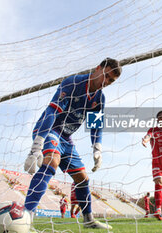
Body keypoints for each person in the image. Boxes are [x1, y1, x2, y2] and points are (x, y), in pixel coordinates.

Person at [23, 58, 122, 230]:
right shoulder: (73, 83)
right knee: (52, 162)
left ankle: (88, 219)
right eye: (105, 76)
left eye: (111, 81)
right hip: (50, 130)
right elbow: (51, 112)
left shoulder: (100, 98)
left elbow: (95, 125)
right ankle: (27, 214)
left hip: (66, 139)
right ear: (98, 68)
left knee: (82, 178)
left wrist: (97, 148)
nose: (105, 82)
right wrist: (37, 146)